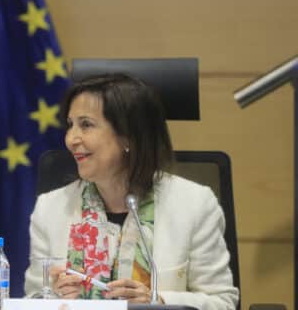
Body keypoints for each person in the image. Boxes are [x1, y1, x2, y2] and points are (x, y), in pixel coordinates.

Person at [24, 73, 239, 310]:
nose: (71, 139)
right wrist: (56, 299)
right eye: (70, 125)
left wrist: (157, 302)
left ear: (128, 136)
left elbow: (223, 303)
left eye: (86, 124)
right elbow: (32, 300)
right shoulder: (50, 208)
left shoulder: (194, 204)